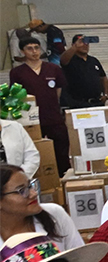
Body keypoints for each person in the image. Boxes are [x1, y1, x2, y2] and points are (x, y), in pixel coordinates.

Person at [9, 37, 69, 176]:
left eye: (36, 48)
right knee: (34, 151)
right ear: (22, 51)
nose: (34, 52)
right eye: (30, 48)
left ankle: (63, 177)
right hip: (31, 120)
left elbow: (58, 90)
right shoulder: (17, 72)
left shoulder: (53, 69)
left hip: (53, 116)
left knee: (61, 148)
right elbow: (17, 95)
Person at [1, 165, 81, 250]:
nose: (34, 194)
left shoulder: (54, 214)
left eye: (30, 186)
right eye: (22, 191)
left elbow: (80, 256)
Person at [59, 34, 108, 108]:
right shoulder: (70, 60)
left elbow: (103, 78)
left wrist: (105, 94)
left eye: (87, 43)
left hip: (96, 102)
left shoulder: (93, 60)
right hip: (78, 103)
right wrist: (75, 47)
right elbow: (63, 60)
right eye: (81, 43)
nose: (85, 45)